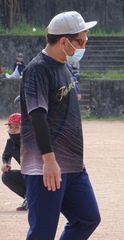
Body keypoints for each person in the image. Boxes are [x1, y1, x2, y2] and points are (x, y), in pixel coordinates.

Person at [19, 11, 100, 239]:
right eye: (81, 41)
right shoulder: (37, 70)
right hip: (46, 167)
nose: (84, 45)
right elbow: (37, 116)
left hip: (73, 165)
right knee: (43, 232)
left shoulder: (64, 65)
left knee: (88, 218)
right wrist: (49, 159)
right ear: (64, 41)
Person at [1, 113, 28, 211]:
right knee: (6, 176)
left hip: (42, 176)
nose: (12, 131)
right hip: (28, 175)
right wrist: (6, 163)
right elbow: (6, 155)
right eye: (10, 127)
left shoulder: (32, 141)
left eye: (16, 127)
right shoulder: (10, 142)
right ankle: (29, 198)